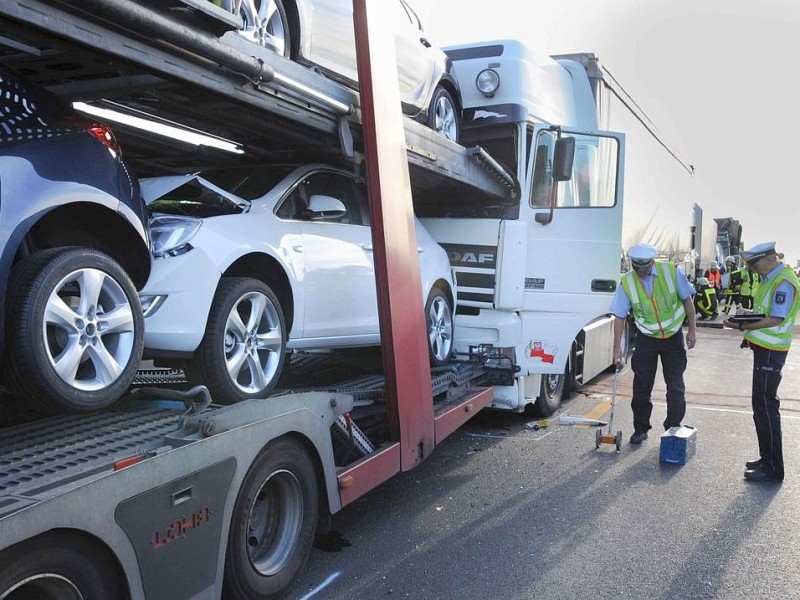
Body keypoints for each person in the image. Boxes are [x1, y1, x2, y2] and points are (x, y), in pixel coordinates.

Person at [723, 242, 800, 482]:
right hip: (766, 349)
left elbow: (776, 318)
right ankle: (767, 459)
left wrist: (743, 325)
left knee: (766, 407)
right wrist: (746, 318)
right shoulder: (773, 279)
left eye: (755, 265)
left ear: (768, 259)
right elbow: (766, 313)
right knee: (762, 406)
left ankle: (773, 468)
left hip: (771, 350)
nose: (754, 270)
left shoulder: (783, 282)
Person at [611, 243, 697, 444]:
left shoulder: (671, 272)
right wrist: (618, 348)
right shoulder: (627, 282)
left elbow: (687, 301)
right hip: (646, 338)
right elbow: (619, 317)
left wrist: (692, 330)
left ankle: (673, 427)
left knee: (675, 385)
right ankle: (640, 429)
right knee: (642, 386)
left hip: (673, 337)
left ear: (652, 263)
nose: (641, 272)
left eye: (645, 268)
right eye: (637, 268)